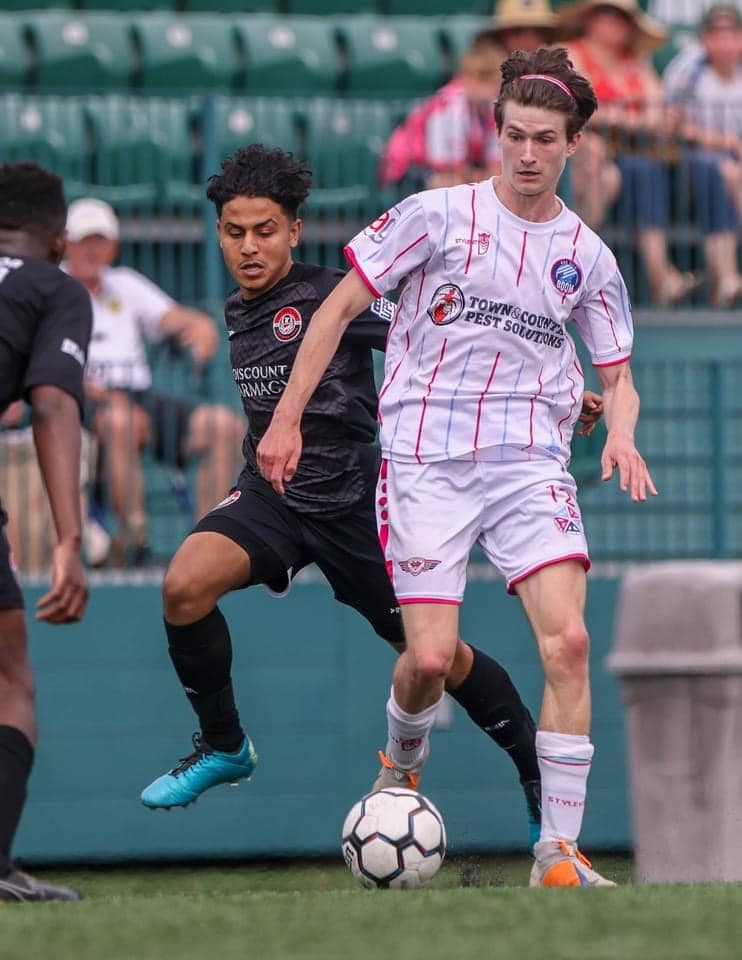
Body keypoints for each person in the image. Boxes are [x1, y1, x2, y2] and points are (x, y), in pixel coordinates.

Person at [257, 47, 657, 888]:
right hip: (425, 462)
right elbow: (337, 308)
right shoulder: (434, 215)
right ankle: (401, 765)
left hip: (529, 463)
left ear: (573, 143)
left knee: (571, 641)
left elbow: (618, 374)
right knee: (430, 660)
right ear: (495, 132)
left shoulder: (588, 257)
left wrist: (621, 432)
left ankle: (558, 852)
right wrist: (287, 417)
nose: (526, 154)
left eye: (544, 139)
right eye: (514, 135)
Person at [137, 143, 602, 844]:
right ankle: (225, 745)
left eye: (265, 230)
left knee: (436, 659)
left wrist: (562, 388)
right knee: (183, 587)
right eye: (234, 232)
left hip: (357, 506)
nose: (249, 247)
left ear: (295, 231)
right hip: (272, 496)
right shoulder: (236, 308)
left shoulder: (335, 296)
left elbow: (448, 331)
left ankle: (534, 770)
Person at [0, 162, 92, 902]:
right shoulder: (55, 289)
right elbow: (53, 404)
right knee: (9, 683)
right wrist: (69, 540)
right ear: (59, 241)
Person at [64, 198, 244, 567]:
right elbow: (52, 361)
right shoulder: (55, 288)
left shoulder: (125, 283)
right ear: (65, 243)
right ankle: (136, 541)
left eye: (99, 240)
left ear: (113, 246)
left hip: (140, 395)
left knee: (225, 427)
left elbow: (176, 318)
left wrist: (199, 328)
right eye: (83, 241)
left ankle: (204, 546)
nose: (92, 250)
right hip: (80, 400)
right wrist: (105, 396)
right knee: (121, 422)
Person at [560, 0, 701, 305]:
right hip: (587, 151)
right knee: (633, 170)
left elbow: (658, 111)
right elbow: (574, 107)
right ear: (590, 19)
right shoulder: (572, 54)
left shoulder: (636, 63)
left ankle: (661, 278)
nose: (614, 23)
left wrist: (622, 118)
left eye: (623, 18)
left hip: (638, 153)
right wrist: (631, 119)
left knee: (646, 170)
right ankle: (574, 265)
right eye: (606, 14)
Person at [663, 4, 742, 306]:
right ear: (705, 39)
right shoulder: (688, 72)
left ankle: (722, 281)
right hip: (687, 168)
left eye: (732, 34)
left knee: (729, 172)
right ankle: (726, 277)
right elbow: (672, 124)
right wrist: (723, 142)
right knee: (720, 170)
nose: (725, 43)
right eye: (717, 35)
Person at [380, 30, 505, 195]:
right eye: (486, 81)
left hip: (457, 168)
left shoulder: (493, 106)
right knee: (447, 184)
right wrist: (482, 177)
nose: (495, 88)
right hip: (408, 168)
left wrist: (486, 176)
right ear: (468, 78)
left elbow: (496, 167)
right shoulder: (446, 106)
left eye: (496, 81)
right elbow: (449, 169)